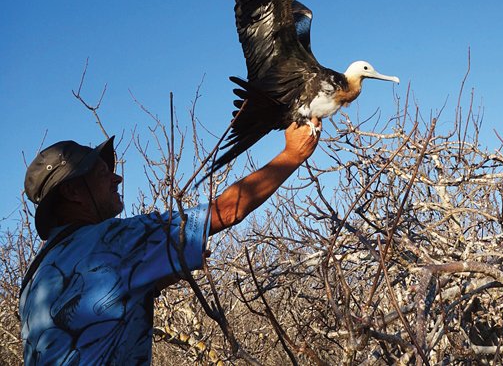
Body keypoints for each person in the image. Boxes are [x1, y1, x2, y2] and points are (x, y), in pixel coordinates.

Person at [19, 119, 320, 364]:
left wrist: (153, 281)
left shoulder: (34, 277)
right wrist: (292, 154)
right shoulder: (114, 241)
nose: (116, 179)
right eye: (102, 173)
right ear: (73, 193)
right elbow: (228, 210)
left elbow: (87, 316)